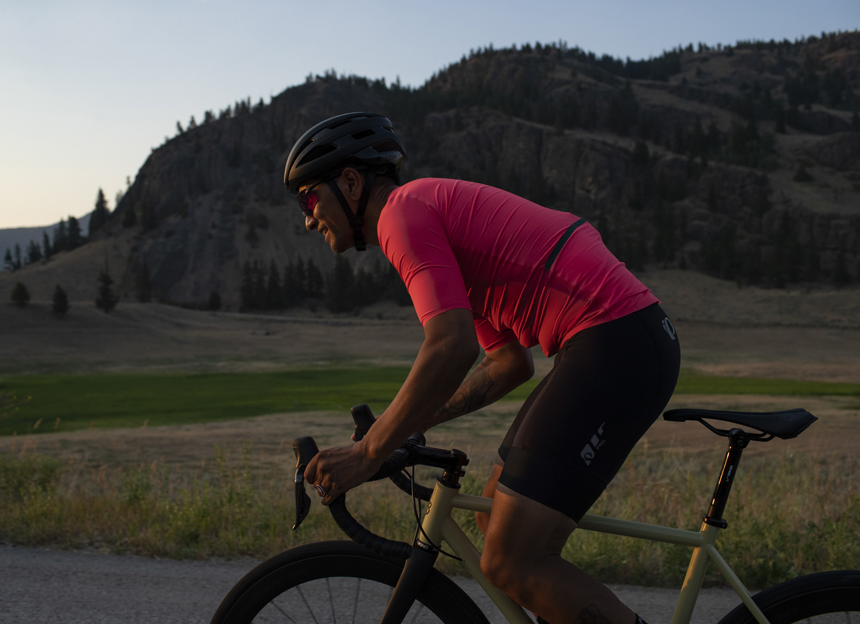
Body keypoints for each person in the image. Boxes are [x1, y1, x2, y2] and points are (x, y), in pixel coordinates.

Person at [286, 112, 680, 624]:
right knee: (497, 519)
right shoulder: (427, 215)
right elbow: (507, 363)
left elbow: (449, 345)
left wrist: (370, 449)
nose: (309, 218)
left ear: (351, 181)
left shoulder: (401, 214)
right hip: (617, 340)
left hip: (612, 340)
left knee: (512, 559)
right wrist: (413, 426)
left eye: (309, 199)